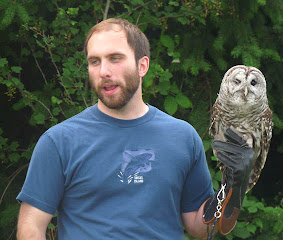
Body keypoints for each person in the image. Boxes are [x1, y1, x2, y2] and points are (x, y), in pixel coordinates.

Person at [16, 18, 254, 240]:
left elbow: (198, 226)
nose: (103, 72)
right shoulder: (59, 141)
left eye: (115, 58)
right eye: (94, 61)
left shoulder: (182, 137)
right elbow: (31, 227)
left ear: (143, 66)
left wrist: (233, 187)